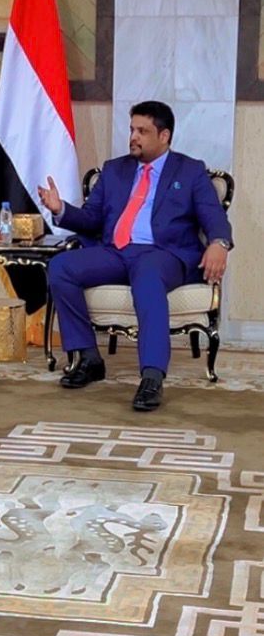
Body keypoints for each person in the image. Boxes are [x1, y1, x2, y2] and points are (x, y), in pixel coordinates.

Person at [38, 100, 232, 412]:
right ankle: (88, 357)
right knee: (61, 266)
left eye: (142, 131)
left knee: (148, 276)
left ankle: (152, 376)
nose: (133, 137)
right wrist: (61, 209)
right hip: (116, 251)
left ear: (164, 136)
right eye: (132, 130)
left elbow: (213, 216)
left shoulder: (190, 170)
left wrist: (219, 243)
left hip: (163, 254)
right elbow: (91, 219)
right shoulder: (115, 170)